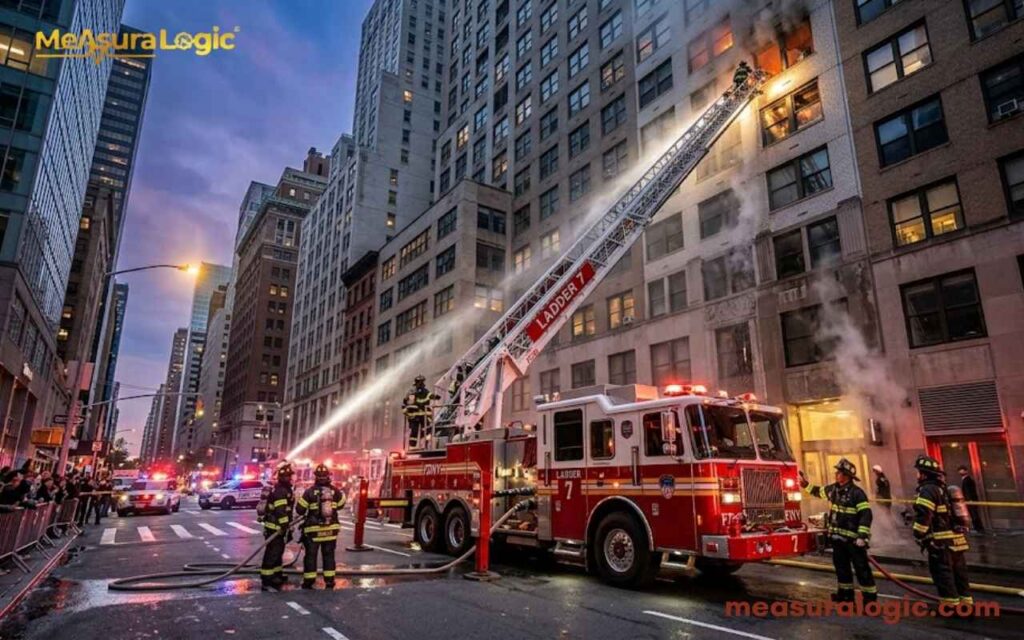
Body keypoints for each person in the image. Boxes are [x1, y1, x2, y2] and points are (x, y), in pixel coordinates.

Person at [800, 459, 876, 603]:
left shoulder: (857, 494)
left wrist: (862, 536)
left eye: (839, 472)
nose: (836, 474)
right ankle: (845, 597)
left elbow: (866, 515)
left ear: (846, 476)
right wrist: (805, 485)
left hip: (854, 541)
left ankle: (870, 601)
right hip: (838, 539)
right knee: (842, 569)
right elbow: (818, 491)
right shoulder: (834, 490)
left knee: (862, 570)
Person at [913, 455, 973, 613]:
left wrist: (918, 534)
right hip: (957, 541)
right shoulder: (944, 488)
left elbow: (924, 515)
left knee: (944, 576)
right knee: (960, 575)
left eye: (918, 472)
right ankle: (966, 605)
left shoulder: (927, 490)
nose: (917, 475)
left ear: (924, 474)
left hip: (941, 544)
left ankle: (950, 608)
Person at [295, 464, 345, 589]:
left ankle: (309, 581)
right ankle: (329, 581)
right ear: (328, 476)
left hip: (313, 531)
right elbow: (341, 505)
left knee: (311, 556)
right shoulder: (335, 491)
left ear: (316, 477)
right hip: (330, 530)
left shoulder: (309, 492)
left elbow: (300, 510)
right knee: (329, 555)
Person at [259, 461, 295, 590]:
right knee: (272, 553)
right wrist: (285, 525)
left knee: (278, 551)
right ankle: (267, 579)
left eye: (290, 476)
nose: (290, 478)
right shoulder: (281, 491)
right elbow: (281, 511)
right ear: (282, 477)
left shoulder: (283, 489)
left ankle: (276, 574)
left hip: (277, 526)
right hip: (275, 527)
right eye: (288, 476)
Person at [403, 375, 438, 448]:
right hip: (415, 417)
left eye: (422, 382)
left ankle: (423, 445)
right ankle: (413, 447)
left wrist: (435, 396)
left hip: (423, 416)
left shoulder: (425, 392)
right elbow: (405, 403)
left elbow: (431, 395)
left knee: (425, 431)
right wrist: (406, 412)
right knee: (414, 432)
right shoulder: (411, 392)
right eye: (420, 382)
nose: (421, 384)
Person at [956, 465, 985, 534]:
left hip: (970, 500)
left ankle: (978, 529)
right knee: (973, 514)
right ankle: (978, 528)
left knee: (974, 514)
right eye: (960, 470)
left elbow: (969, 491)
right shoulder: (966, 479)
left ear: (966, 471)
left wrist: (969, 499)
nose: (960, 472)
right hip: (970, 500)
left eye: (962, 470)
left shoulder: (967, 480)